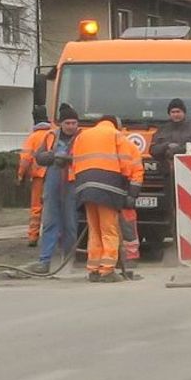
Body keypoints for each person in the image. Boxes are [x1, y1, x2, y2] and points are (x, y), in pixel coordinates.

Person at [72, 114, 143, 282]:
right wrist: (129, 193)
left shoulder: (83, 136)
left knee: (94, 230)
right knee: (109, 231)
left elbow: (74, 162)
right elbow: (127, 165)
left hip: (84, 187)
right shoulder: (116, 136)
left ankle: (94, 269)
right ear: (116, 124)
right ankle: (108, 270)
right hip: (108, 188)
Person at [30, 104, 81, 273]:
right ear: (61, 124)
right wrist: (49, 157)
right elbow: (39, 156)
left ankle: (67, 259)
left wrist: (68, 159)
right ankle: (45, 261)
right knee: (50, 222)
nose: (71, 126)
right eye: (68, 123)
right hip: (52, 184)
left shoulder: (82, 138)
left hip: (73, 184)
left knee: (70, 224)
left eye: (74, 123)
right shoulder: (50, 136)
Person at [17, 106, 54, 247]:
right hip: (54, 175)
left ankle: (33, 236)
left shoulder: (32, 138)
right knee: (54, 206)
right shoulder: (54, 134)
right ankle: (55, 235)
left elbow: (25, 159)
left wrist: (20, 175)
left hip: (38, 177)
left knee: (36, 208)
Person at [150, 98, 191, 163]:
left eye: (178, 111)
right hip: (165, 169)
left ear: (184, 112)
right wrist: (167, 146)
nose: (175, 114)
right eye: (173, 112)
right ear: (169, 113)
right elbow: (152, 150)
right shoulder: (162, 130)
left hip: (188, 166)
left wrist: (180, 150)